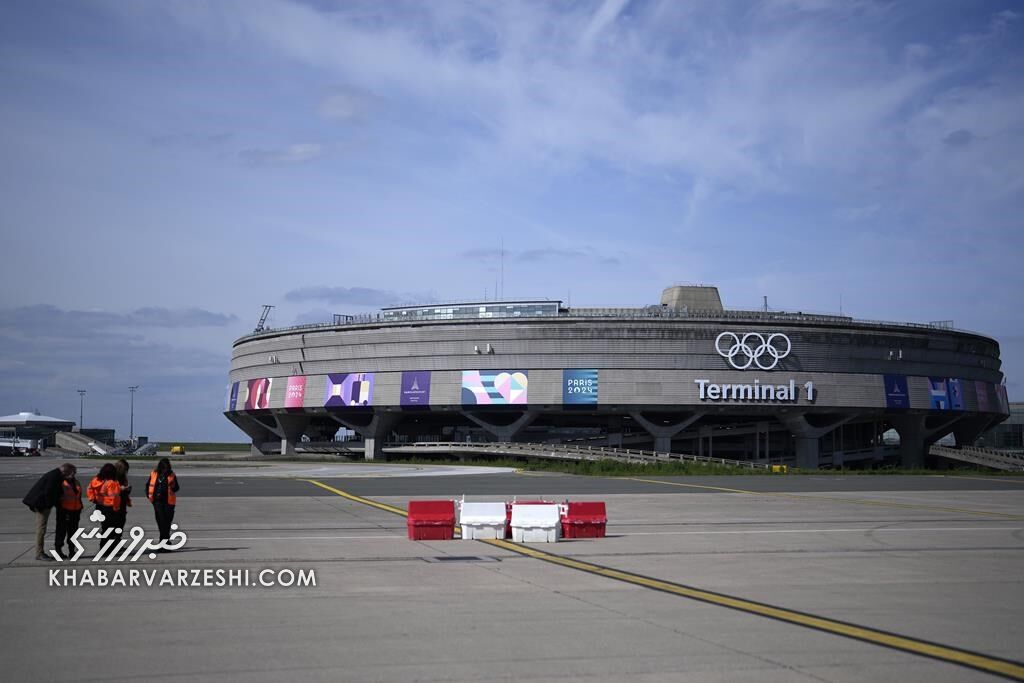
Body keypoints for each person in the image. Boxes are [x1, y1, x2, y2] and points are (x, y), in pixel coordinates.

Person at [22, 463, 74, 561]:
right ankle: (39, 553)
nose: (71, 476)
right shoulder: (54, 476)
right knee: (41, 529)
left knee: (42, 529)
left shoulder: (56, 475)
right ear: (65, 471)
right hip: (41, 505)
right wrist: (50, 505)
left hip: (41, 504)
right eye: (70, 473)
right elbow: (48, 492)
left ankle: (40, 552)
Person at [146, 458, 181, 545]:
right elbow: (148, 486)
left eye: (167, 468)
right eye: (164, 468)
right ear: (160, 467)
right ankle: (164, 541)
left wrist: (173, 486)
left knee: (167, 522)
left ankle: (164, 541)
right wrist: (150, 497)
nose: (165, 470)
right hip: (157, 502)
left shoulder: (171, 475)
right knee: (161, 522)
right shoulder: (153, 474)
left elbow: (176, 488)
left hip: (169, 503)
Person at [53, 464, 83, 559]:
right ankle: (58, 551)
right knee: (61, 532)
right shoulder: (61, 483)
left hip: (75, 511)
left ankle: (72, 551)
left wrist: (80, 506)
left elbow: (78, 495)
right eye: (73, 472)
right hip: (64, 511)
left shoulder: (76, 482)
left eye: (75, 472)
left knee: (73, 532)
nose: (74, 474)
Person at [87, 463, 123, 539]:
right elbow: (114, 497)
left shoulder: (96, 480)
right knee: (110, 530)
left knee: (105, 528)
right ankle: (108, 548)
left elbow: (89, 489)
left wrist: (92, 498)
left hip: (99, 506)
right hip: (110, 508)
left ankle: (104, 547)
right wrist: (117, 508)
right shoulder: (111, 483)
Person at [112, 458, 133, 542]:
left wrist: (127, 489)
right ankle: (112, 544)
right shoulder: (112, 477)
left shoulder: (123, 477)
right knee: (115, 525)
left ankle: (117, 542)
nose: (126, 472)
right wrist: (120, 489)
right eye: (125, 470)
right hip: (114, 505)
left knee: (121, 524)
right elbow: (109, 490)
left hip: (122, 503)